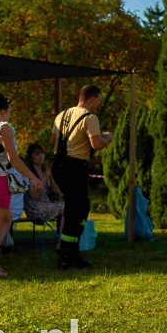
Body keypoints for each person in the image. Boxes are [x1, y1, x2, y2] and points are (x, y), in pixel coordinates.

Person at [0, 94, 43, 277]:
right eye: (9, 112)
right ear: (3, 111)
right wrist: (33, 178)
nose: (10, 116)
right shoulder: (4, 128)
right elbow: (13, 158)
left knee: (6, 219)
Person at [51, 85, 112, 270]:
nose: (98, 104)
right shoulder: (90, 117)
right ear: (92, 98)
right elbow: (96, 144)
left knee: (78, 207)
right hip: (75, 167)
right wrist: (107, 138)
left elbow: (52, 141)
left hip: (58, 166)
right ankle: (66, 254)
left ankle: (71, 250)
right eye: (98, 100)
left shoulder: (62, 115)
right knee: (77, 210)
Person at [23, 143, 65, 223]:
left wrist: (51, 177)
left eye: (42, 153)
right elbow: (34, 195)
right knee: (65, 208)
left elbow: (57, 191)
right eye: (37, 154)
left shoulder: (45, 171)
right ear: (31, 158)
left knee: (70, 207)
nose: (41, 156)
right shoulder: (29, 174)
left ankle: (63, 231)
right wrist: (45, 178)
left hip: (47, 204)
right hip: (35, 207)